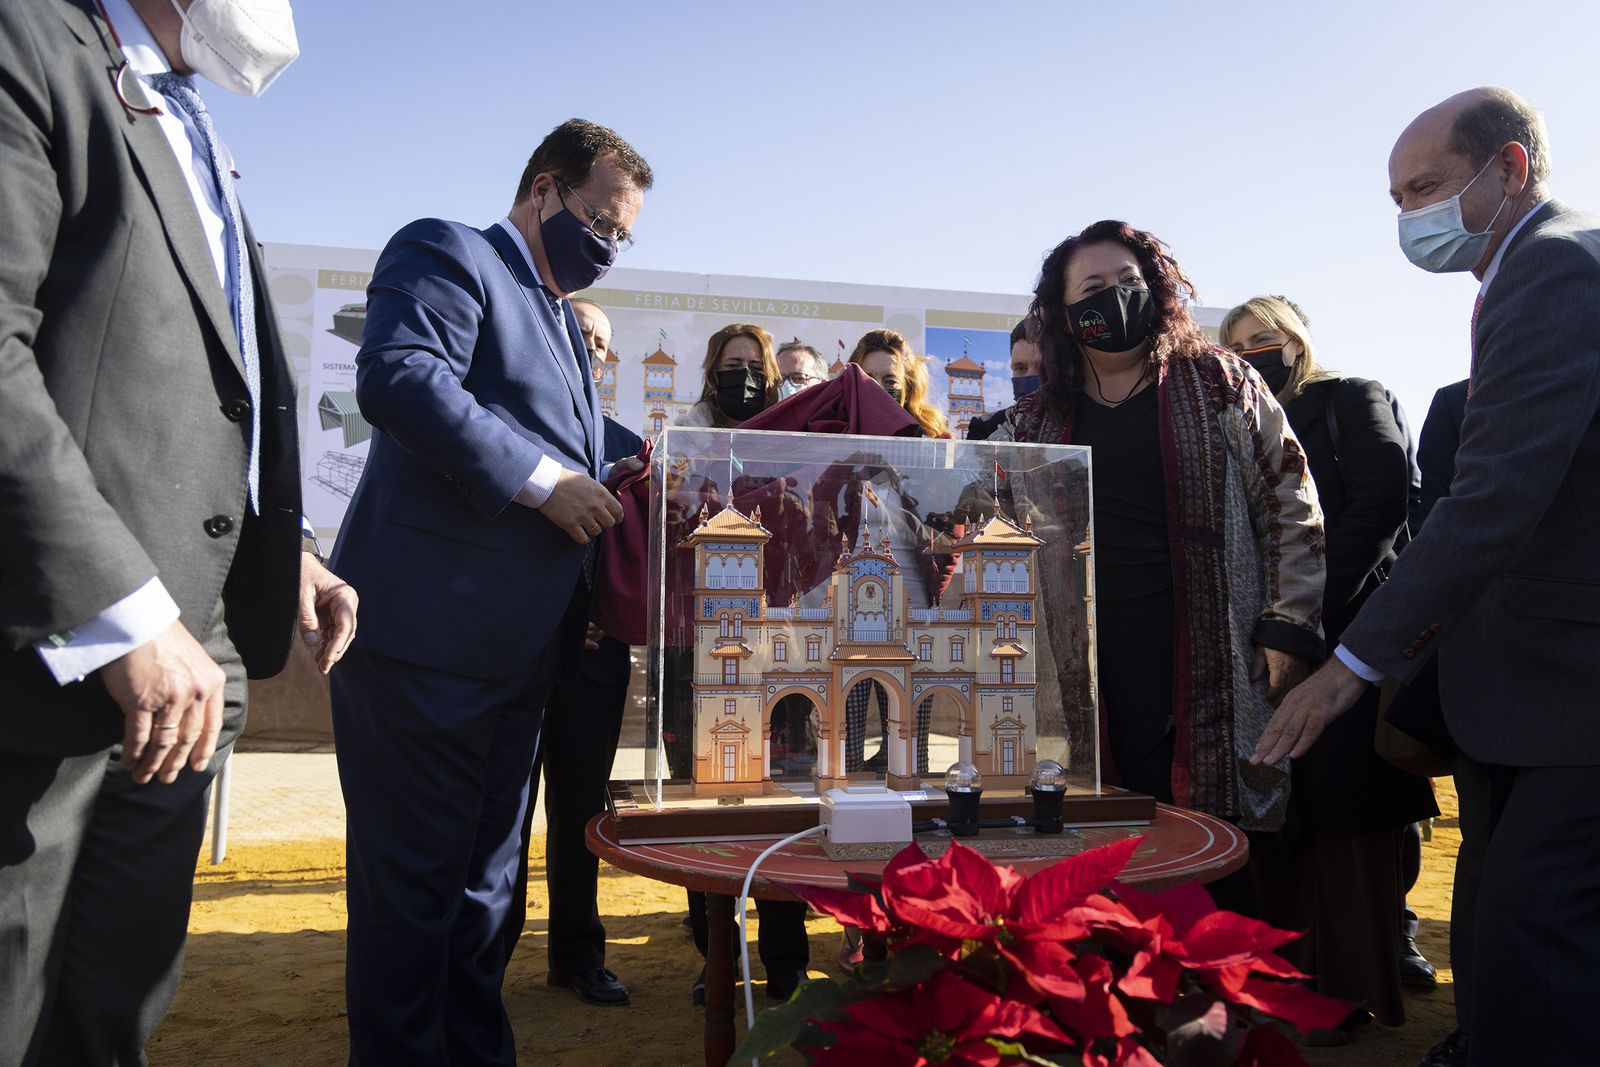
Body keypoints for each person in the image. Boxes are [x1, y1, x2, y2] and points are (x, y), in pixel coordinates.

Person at [0, 2, 358, 1062]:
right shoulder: (29, 42)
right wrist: (119, 606)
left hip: (195, 652)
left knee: (111, 1010)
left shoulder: (185, 114)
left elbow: (176, 385)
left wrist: (274, 545)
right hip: (62, 658)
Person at [1253, 87, 1600, 1067]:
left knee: (1540, 942)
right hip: (1521, 696)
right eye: (1396, 197)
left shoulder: (1554, 265)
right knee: (1504, 925)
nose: (1409, 216)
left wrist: (1347, 665)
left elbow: (1489, 498)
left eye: (1426, 187)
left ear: (1509, 170)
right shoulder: (1531, 269)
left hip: (1575, 694)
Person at [327, 118, 651, 1064]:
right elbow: (400, 376)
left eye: (625, 237)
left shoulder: (557, 318)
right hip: (426, 643)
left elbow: (595, 452)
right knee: (415, 893)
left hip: (523, 658)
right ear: (545, 189)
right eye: (602, 220)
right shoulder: (451, 252)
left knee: (484, 891)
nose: (610, 248)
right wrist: (548, 483)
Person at [995, 222, 1325, 889]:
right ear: (1063, 313)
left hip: (1211, 642)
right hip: (1084, 655)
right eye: (1095, 288)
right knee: (1094, 843)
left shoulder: (1220, 381)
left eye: (1130, 283)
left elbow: (1290, 497)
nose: (1116, 297)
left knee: (1211, 841)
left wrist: (1289, 622)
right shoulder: (1033, 423)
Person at [1221, 296, 1437, 1042]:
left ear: (1298, 338)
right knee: (1278, 821)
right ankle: (1284, 987)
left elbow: (1382, 506)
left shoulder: (1351, 397)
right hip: (1255, 651)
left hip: (1346, 642)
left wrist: (1302, 613)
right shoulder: (1234, 425)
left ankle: (1348, 987)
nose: (1254, 353)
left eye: (1266, 338)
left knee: (1349, 821)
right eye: (1239, 344)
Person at [500, 300, 641, 1007]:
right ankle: (485, 960)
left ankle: (577, 954)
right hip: (518, 651)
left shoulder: (630, 444)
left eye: (602, 342)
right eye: (580, 332)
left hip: (595, 659)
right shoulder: (509, 433)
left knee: (581, 808)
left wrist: (602, 616)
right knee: (503, 811)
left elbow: (635, 558)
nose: (592, 347)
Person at [675, 323, 780, 427]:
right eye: (733, 365)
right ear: (714, 372)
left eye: (756, 367)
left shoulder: (788, 430)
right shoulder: (687, 437)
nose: (745, 376)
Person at [967, 317, 1042, 441]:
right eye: (1020, 368)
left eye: (1042, 368)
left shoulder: (1080, 424)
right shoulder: (985, 426)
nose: (1030, 376)